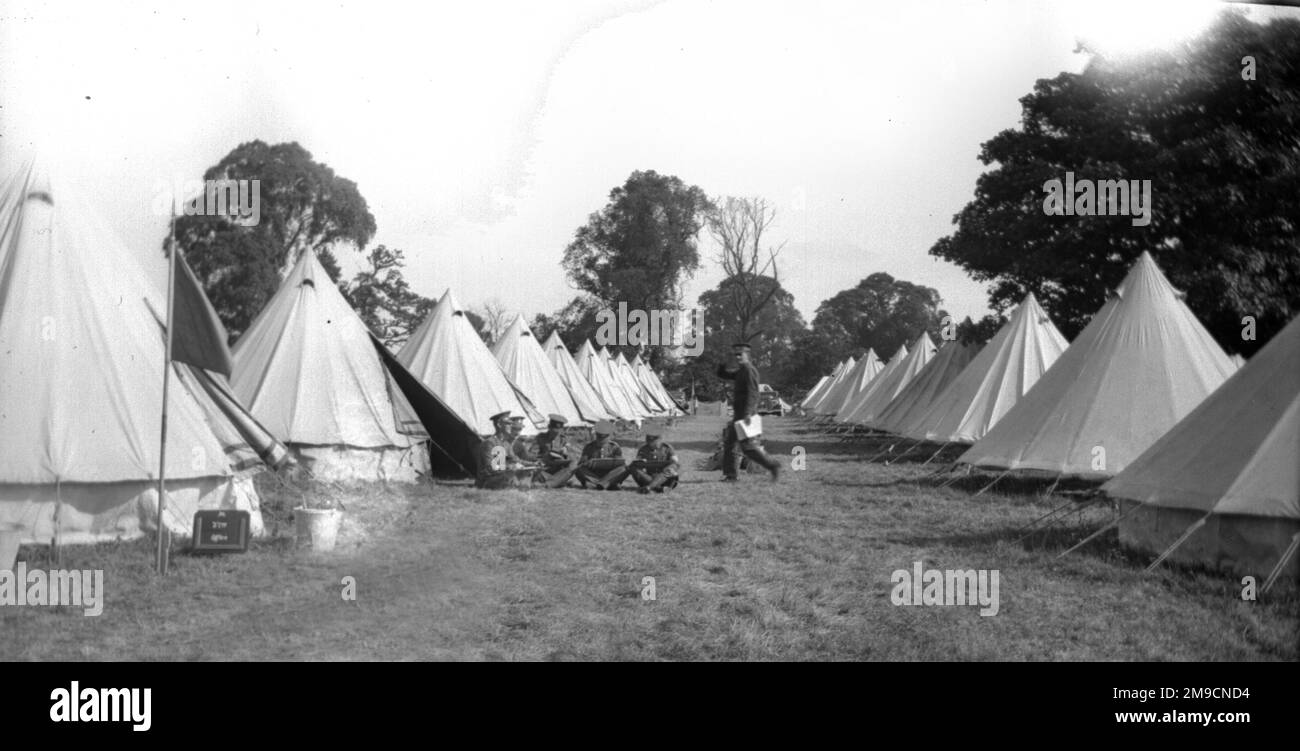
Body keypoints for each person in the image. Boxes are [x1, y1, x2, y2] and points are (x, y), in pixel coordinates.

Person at [715, 341, 780, 482]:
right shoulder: (741, 371)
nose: (737, 357)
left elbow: (753, 393)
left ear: (747, 355)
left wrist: (747, 414)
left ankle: (772, 466)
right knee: (730, 444)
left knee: (748, 447)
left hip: (746, 415)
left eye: (740, 354)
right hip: (739, 415)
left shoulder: (749, 370)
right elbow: (723, 374)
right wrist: (724, 361)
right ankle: (731, 475)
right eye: (735, 355)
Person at [475, 411, 534, 489]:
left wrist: (533, 464)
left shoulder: (506, 443)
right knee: (510, 477)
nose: (511, 426)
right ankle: (517, 486)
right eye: (508, 423)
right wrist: (510, 466)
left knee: (528, 472)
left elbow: (516, 460)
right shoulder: (489, 443)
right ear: (499, 425)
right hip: (488, 480)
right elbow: (490, 467)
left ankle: (519, 486)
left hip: (501, 476)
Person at [574, 421, 630, 490]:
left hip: (609, 474)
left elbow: (620, 463)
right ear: (596, 435)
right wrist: (587, 463)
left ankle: (598, 484)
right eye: (599, 437)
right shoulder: (589, 447)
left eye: (604, 438)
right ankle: (607, 484)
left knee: (624, 469)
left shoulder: (615, 447)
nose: (601, 440)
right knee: (578, 469)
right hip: (593, 475)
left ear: (608, 436)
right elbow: (581, 463)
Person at [532, 414, 578, 488]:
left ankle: (548, 484)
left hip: (558, 467)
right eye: (553, 431)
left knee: (574, 464)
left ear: (561, 429)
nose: (555, 434)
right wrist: (543, 457)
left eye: (558, 432)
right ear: (549, 427)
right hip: (545, 467)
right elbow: (532, 455)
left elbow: (574, 457)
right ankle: (558, 482)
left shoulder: (565, 440)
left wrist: (566, 453)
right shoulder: (540, 438)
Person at [630, 427, 679, 494]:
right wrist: (641, 462)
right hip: (649, 477)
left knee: (672, 466)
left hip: (665, 477)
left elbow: (675, 460)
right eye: (649, 441)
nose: (651, 443)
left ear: (659, 440)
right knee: (633, 466)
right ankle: (659, 489)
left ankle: (649, 487)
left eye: (654, 441)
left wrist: (672, 460)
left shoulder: (667, 447)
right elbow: (638, 462)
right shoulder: (643, 449)